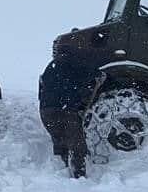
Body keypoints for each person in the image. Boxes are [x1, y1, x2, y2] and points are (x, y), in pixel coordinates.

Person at [38, 48, 101, 178]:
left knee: (59, 139)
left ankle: (62, 166)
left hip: (46, 111)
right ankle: (79, 174)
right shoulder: (75, 62)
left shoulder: (51, 66)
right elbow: (89, 74)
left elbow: (42, 87)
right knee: (77, 143)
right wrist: (97, 75)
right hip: (65, 110)